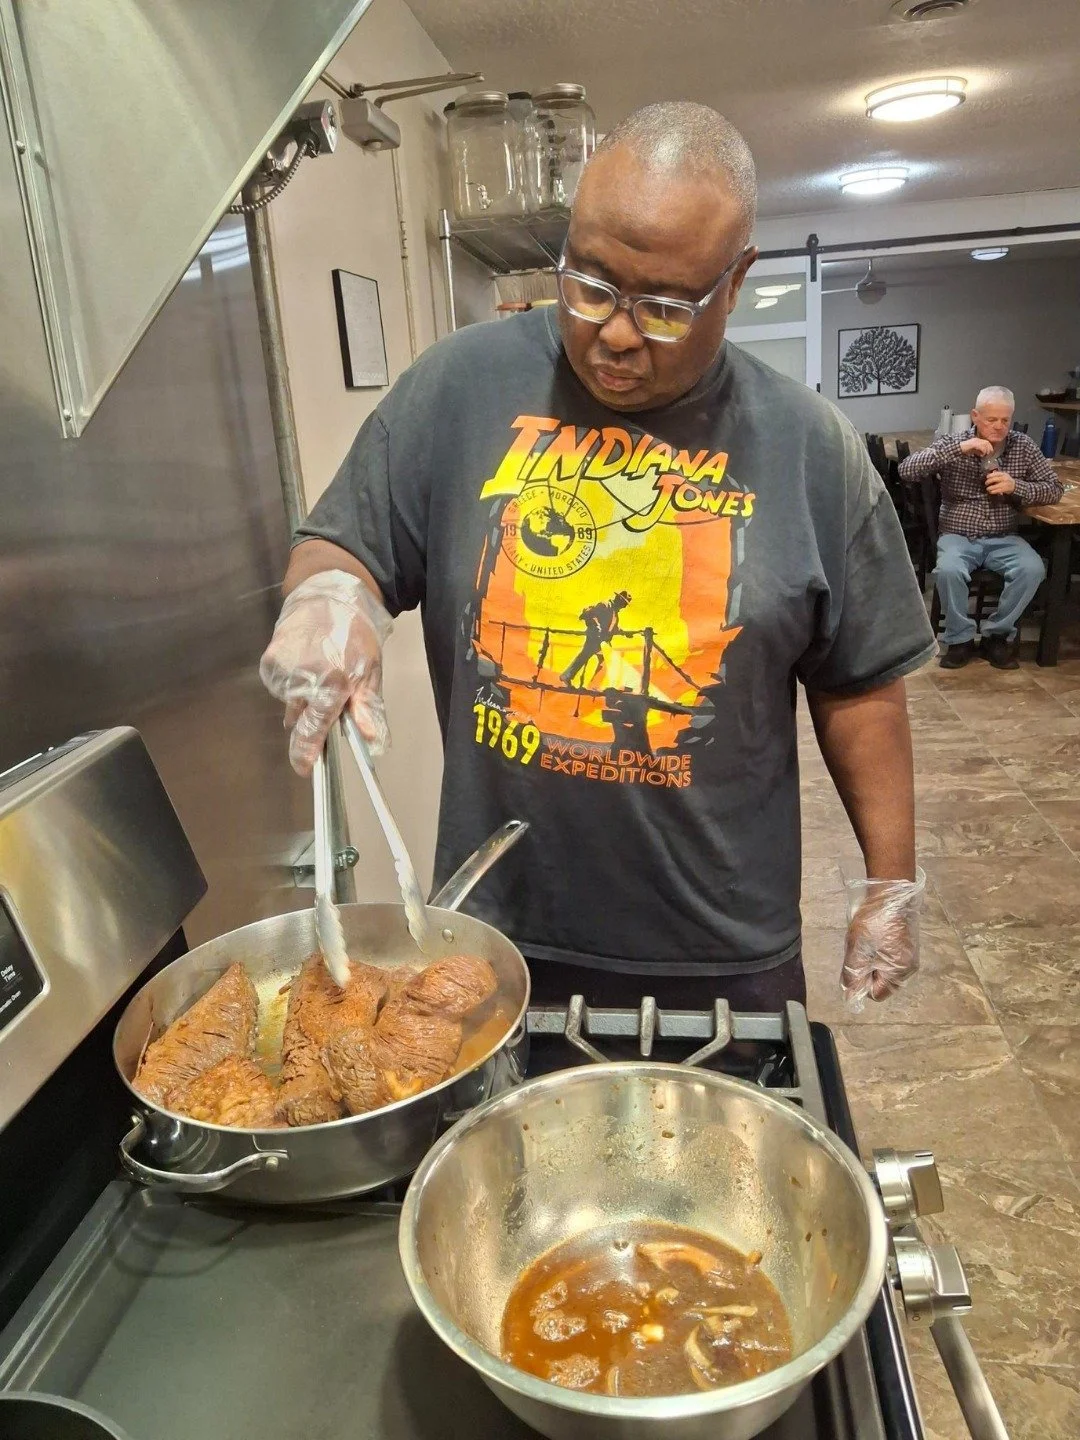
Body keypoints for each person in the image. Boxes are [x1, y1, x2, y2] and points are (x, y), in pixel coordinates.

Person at [260, 102, 935, 1013]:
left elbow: (858, 686)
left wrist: (890, 883)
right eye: (590, 283)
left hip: (721, 945)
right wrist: (329, 599)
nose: (615, 333)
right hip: (496, 933)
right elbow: (346, 541)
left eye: (663, 307)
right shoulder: (457, 390)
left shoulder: (811, 445)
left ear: (736, 284)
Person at [899, 387, 1063, 670]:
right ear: (975, 416)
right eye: (991, 419)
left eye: (1005, 420)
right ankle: (960, 639)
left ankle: (996, 635)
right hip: (957, 535)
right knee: (949, 570)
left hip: (1004, 536)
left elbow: (1054, 488)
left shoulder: (1022, 446)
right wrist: (960, 448)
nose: (998, 426)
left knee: (1033, 568)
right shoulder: (955, 442)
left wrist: (1017, 486)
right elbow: (907, 470)